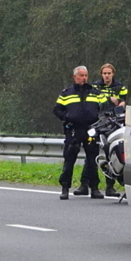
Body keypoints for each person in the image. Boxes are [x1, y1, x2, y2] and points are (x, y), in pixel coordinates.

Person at [53, 65, 104, 200]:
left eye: (85, 75)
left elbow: (105, 107)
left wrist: (100, 119)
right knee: (69, 159)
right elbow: (57, 109)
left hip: (90, 129)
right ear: (75, 77)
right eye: (81, 76)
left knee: (92, 159)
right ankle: (65, 188)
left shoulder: (95, 92)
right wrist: (67, 117)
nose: (84, 78)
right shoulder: (66, 93)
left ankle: (94, 188)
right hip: (74, 129)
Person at [94, 63, 129, 197]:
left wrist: (121, 102)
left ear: (113, 73)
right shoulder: (96, 86)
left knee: (116, 152)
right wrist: (110, 98)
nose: (107, 76)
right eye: (104, 73)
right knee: (101, 152)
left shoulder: (120, 86)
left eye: (109, 73)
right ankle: (93, 184)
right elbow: (94, 97)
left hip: (117, 121)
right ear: (101, 74)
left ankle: (112, 185)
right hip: (101, 121)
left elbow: (126, 99)